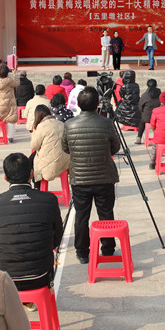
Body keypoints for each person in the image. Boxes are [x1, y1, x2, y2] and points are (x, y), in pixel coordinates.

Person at [0, 153, 63, 291]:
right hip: (41, 275)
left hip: (5, 277)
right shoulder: (49, 200)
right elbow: (57, 239)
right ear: (31, 174)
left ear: (5, 178)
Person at [61, 87, 121, 264]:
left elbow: (66, 148)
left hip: (80, 179)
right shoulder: (106, 123)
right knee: (106, 213)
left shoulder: (69, 125)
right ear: (97, 104)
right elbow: (115, 148)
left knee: (81, 216)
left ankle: (82, 252)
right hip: (104, 177)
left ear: (78, 104)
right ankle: (108, 248)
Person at [31, 105, 71, 190]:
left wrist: (34, 132)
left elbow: (34, 146)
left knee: (34, 161)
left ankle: (37, 186)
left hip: (50, 164)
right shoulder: (61, 123)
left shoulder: (41, 126)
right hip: (65, 162)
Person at [0, 65, 20, 142]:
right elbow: (17, 83)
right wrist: (15, 75)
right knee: (10, 119)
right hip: (8, 102)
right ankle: (10, 137)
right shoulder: (9, 80)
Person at [136, 79, 161, 144]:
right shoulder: (160, 94)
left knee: (142, 121)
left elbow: (140, 107)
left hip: (147, 117)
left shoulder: (145, 95)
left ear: (147, 85)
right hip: (158, 117)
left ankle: (139, 137)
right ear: (156, 85)